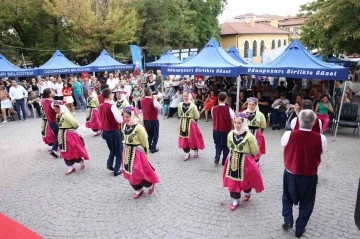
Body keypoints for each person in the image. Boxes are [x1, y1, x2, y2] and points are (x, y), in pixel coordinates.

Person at [281, 109, 327, 238]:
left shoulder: (288, 135)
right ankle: (300, 229)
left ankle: (288, 220)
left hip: (291, 172)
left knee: (287, 197)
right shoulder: (321, 138)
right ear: (314, 122)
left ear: (298, 121)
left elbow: (284, 146)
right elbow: (321, 152)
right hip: (310, 175)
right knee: (307, 202)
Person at [222, 113, 263, 211]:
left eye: (239, 123)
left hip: (245, 161)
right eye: (235, 122)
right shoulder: (230, 133)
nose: (236, 125)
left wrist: (248, 157)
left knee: (245, 180)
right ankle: (235, 199)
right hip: (232, 159)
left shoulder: (249, 136)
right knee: (233, 180)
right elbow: (228, 145)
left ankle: (247, 192)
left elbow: (255, 149)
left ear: (244, 123)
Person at [121, 105, 160, 199]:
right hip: (127, 152)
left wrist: (146, 155)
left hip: (137, 154)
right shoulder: (125, 125)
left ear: (133, 116)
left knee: (138, 173)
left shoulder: (139, 127)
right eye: (124, 116)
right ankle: (138, 189)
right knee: (129, 172)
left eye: (127, 116)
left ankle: (150, 185)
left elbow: (145, 142)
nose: (125, 118)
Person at [53, 100, 89, 175]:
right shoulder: (58, 115)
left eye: (56, 109)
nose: (55, 110)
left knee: (72, 150)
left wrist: (71, 129)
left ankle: (80, 161)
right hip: (62, 134)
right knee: (65, 151)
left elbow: (75, 124)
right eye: (54, 109)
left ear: (61, 107)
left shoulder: (66, 115)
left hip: (69, 135)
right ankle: (71, 166)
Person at [98, 88, 123, 176]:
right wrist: (120, 113)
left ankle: (109, 163)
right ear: (109, 96)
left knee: (112, 149)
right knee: (119, 150)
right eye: (112, 94)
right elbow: (119, 120)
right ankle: (116, 169)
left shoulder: (100, 106)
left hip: (105, 131)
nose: (113, 95)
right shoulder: (112, 106)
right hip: (114, 130)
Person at [178, 90, 205, 161]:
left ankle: (195, 150)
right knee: (184, 138)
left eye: (186, 96)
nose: (185, 97)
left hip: (190, 124)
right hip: (183, 123)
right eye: (184, 96)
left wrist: (192, 119)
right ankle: (187, 153)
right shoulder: (180, 104)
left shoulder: (193, 105)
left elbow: (197, 116)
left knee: (193, 138)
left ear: (189, 96)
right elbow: (179, 114)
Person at [211, 92, 235, 165]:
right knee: (226, 146)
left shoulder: (213, 108)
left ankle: (217, 158)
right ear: (226, 99)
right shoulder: (229, 109)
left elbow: (213, 117)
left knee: (217, 144)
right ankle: (224, 160)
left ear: (218, 99)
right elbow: (233, 119)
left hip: (216, 129)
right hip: (226, 130)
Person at [243, 97, 266, 165]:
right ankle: (247, 160)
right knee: (246, 146)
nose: (251, 106)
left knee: (256, 146)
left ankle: (256, 160)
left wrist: (260, 133)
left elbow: (263, 125)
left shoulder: (260, 114)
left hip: (256, 132)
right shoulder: (244, 113)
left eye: (253, 105)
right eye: (249, 104)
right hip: (246, 132)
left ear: (256, 105)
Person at [140, 87, 162, 153]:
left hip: (146, 120)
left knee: (149, 134)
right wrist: (155, 99)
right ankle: (153, 147)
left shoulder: (142, 100)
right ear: (150, 93)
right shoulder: (153, 100)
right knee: (155, 134)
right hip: (153, 120)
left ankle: (148, 146)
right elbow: (160, 107)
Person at [41, 88, 60, 158]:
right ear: (49, 94)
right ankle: (54, 149)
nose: (53, 92)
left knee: (56, 135)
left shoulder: (44, 101)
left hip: (50, 121)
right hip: (55, 121)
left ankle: (58, 146)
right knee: (59, 135)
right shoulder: (53, 102)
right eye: (52, 91)